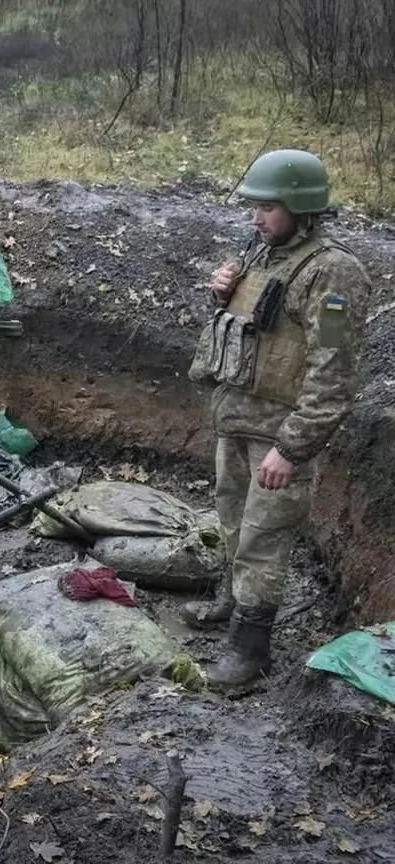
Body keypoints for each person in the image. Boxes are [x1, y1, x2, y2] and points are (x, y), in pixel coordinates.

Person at [185, 148, 371, 689]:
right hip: (235, 420)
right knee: (232, 523)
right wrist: (220, 295)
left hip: (277, 434)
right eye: (254, 206)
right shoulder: (260, 255)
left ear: (301, 206)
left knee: (263, 540)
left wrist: (292, 448)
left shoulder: (334, 272)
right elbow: (246, 333)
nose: (256, 217)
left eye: (268, 207)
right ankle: (230, 602)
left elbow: (333, 374)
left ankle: (250, 649)